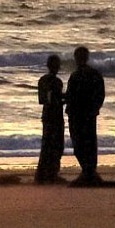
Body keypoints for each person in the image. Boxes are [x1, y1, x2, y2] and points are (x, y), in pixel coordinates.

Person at [65, 46, 105, 185]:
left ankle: (88, 172)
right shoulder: (94, 74)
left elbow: (71, 95)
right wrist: (95, 108)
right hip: (88, 114)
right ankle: (89, 171)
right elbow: (100, 94)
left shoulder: (76, 75)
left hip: (78, 114)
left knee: (79, 143)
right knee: (89, 142)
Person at [34, 54, 65, 184]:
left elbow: (43, 100)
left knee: (50, 145)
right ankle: (49, 174)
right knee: (54, 145)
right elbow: (46, 100)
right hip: (53, 115)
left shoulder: (45, 80)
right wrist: (62, 98)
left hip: (50, 115)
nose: (56, 68)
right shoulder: (54, 81)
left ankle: (45, 173)